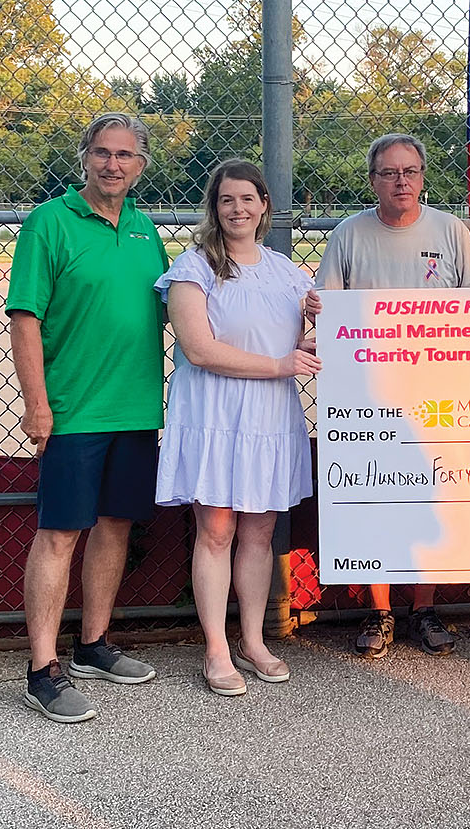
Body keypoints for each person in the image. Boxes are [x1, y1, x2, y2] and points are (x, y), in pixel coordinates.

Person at [6, 114, 168, 723]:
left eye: (125, 155)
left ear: (141, 165)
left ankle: (93, 645)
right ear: (84, 158)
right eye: (102, 153)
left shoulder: (145, 231)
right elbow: (26, 318)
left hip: (135, 409)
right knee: (59, 534)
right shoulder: (49, 223)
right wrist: (37, 402)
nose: (113, 165)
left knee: (115, 525)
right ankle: (40, 669)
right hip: (72, 410)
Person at [315, 132, 470, 658]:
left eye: (410, 171)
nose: (401, 181)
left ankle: (425, 608)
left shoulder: (450, 229)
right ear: (372, 180)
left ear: (422, 177)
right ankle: (380, 609)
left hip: (438, 389)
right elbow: (327, 304)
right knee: (375, 494)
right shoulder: (350, 234)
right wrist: (318, 308)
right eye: (389, 172)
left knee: (433, 495)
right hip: (370, 392)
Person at [155, 160, 322, 696]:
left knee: (259, 533)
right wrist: (282, 364)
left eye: (247, 199)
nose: (238, 209)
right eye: (227, 200)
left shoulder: (288, 273)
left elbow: (302, 344)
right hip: (215, 415)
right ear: (215, 207)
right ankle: (216, 650)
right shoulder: (194, 267)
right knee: (217, 530)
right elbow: (200, 350)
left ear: (265, 205)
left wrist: (328, 324)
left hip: (269, 417)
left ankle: (253, 640)